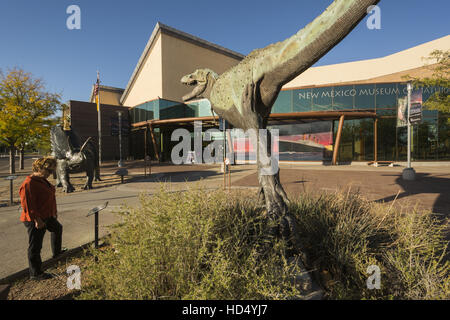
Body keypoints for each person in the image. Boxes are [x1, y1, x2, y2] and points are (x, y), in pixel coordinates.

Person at [19, 157, 65, 280]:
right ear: (39, 168)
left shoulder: (43, 180)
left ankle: (57, 253)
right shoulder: (29, 183)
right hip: (34, 219)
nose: (50, 174)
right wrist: (37, 220)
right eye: (48, 171)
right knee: (35, 246)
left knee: (57, 228)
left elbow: (51, 197)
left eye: (52, 171)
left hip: (47, 215)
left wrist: (54, 212)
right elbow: (28, 205)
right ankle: (36, 273)